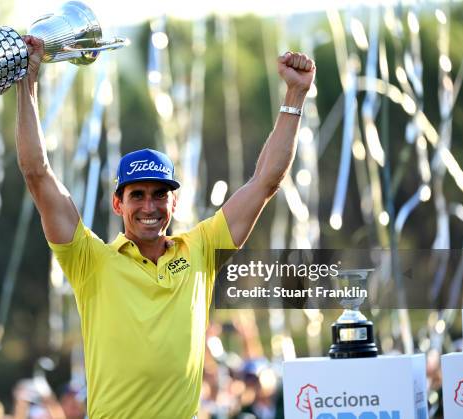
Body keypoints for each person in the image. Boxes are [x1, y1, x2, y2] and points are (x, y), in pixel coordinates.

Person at [16, 34, 315, 418]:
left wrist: (295, 97)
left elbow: (265, 183)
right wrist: (29, 82)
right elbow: (37, 174)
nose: (149, 206)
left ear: (174, 201)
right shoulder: (90, 260)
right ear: (118, 203)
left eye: (159, 195)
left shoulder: (201, 249)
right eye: (137, 195)